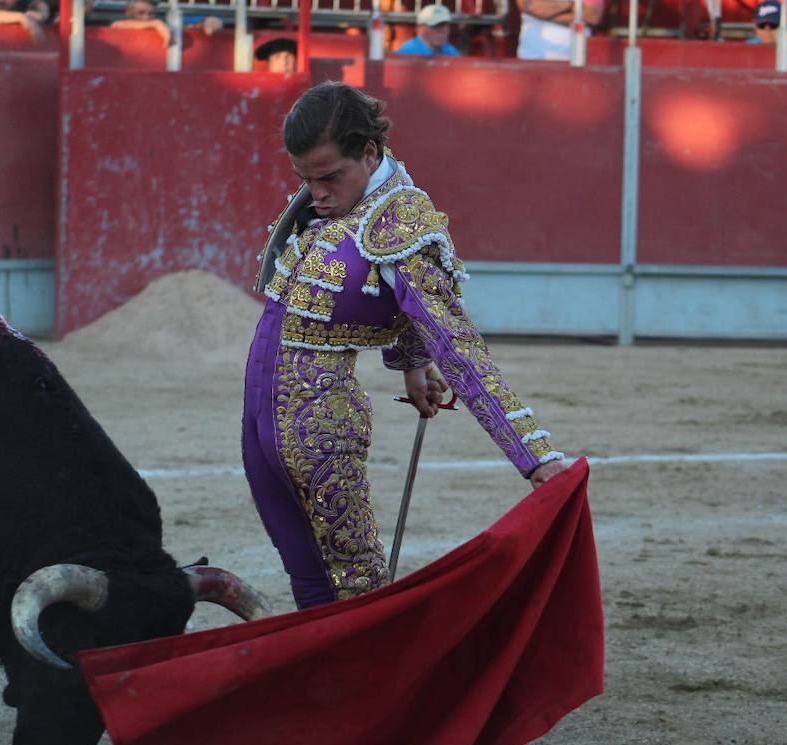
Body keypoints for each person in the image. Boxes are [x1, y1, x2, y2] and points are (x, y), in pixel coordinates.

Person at [244, 82, 568, 612]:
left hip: (318, 425)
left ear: (369, 153)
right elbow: (387, 303)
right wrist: (411, 365)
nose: (316, 193)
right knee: (307, 579)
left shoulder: (402, 222)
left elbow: (457, 344)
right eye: (306, 179)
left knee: (356, 584)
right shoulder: (340, 199)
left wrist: (533, 457)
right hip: (258, 420)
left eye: (329, 177)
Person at [515, 0, 605, 60]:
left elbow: (593, 16)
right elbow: (529, 6)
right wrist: (572, 4)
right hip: (532, 60)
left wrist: (546, 10)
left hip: (575, 61)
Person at [394, 3, 461, 56]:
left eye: (444, 25)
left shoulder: (450, 51)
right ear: (420, 28)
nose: (441, 30)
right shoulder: (408, 51)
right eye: (435, 25)